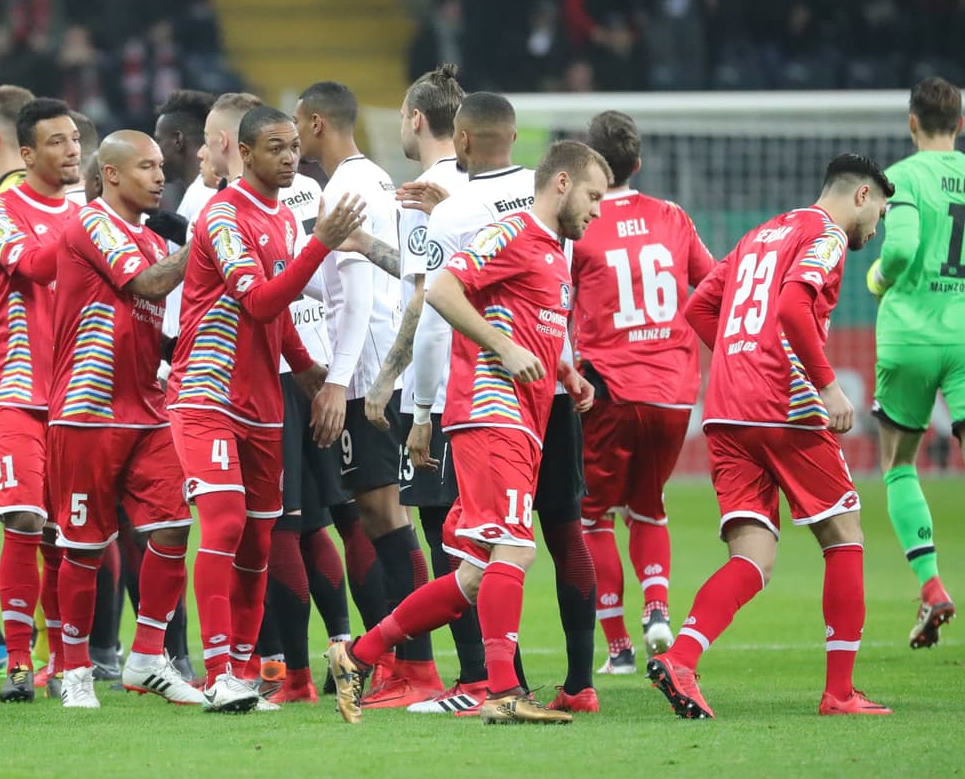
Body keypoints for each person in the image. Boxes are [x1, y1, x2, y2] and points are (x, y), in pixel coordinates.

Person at [327, 140, 606, 725]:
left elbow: (532, 323)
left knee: (476, 576)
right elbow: (445, 290)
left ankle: (356, 655)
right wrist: (500, 349)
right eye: (593, 195)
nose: (597, 210)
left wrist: (566, 370)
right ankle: (503, 692)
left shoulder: (555, 254)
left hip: (525, 421)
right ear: (561, 183)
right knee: (517, 547)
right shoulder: (511, 233)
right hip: (490, 408)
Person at [651, 154, 893, 718]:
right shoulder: (827, 235)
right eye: (877, 213)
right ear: (860, 196)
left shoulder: (760, 233)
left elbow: (698, 306)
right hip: (783, 405)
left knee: (753, 556)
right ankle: (839, 693)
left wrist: (741, 357)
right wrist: (828, 387)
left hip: (727, 408)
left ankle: (681, 659)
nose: (874, 229)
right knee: (844, 535)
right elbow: (790, 306)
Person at [167, 105, 365, 711]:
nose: (288, 157)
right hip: (207, 391)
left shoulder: (281, 217)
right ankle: (221, 670)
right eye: (274, 148)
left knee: (257, 540)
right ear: (243, 153)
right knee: (226, 523)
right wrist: (321, 245)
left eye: (292, 148)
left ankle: (244, 670)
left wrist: (309, 371)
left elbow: (277, 318)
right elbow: (257, 301)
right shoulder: (222, 216)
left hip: (261, 401)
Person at [294, 81, 442, 709]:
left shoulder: (346, 189)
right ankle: (400, 665)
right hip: (382, 368)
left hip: (365, 378)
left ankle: (416, 668)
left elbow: (354, 297)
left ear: (316, 122)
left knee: (386, 519)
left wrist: (338, 382)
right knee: (384, 519)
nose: (293, 137)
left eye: (297, 126)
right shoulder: (374, 179)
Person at [49, 130, 202, 709]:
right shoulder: (91, 224)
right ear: (111, 174)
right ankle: (75, 671)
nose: (160, 176)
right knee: (85, 547)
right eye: (146, 167)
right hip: (86, 410)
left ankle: (145, 659)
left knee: (172, 527)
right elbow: (146, 285)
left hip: (144, 406)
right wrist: (208, 235)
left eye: (162, 166)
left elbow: (150, 315)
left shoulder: (144, 235)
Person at [574, 110, 714, 676]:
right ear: (638, 162)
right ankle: (658, 609)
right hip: (674, 393)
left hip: (609, 387)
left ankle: (619, 649)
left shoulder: (579, 224)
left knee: (593, 516)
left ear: (592, 164)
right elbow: (711, 283)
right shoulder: (673, 217)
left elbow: (558, 305)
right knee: (649, 508)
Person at [364, 64, 475, 713]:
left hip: (440, 384)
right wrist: (365, 243)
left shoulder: (423, 191)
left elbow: (423, 297)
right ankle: (495, 671)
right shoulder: (484, 187)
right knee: (486, 530)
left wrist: (387, 381)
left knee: (444, 535)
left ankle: (466, 678)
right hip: (493, 379)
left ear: (413, 118)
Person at [0, 97, 83, 701]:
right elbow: (38, 265)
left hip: (75, 395)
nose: (71, 151)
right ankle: (19, 660)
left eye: (74, 141)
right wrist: (89, 227)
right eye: (56, 142)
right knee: (23, 519)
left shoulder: (87, 211)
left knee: (66, 536)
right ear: (26, 154)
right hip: (14, 391)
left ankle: (66, 664)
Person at [867, 77, 962, 649]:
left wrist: (878, 279)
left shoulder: (900, 178)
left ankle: (930, 587)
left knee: (900, 463)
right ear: (960, 124)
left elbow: (898, 250)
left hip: (910, 335)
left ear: (911, 123)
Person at [154, 89, 215, 212]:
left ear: (177, 140)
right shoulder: (211, 192)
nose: (154, 152)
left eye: (158, 141)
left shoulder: (200, 198)